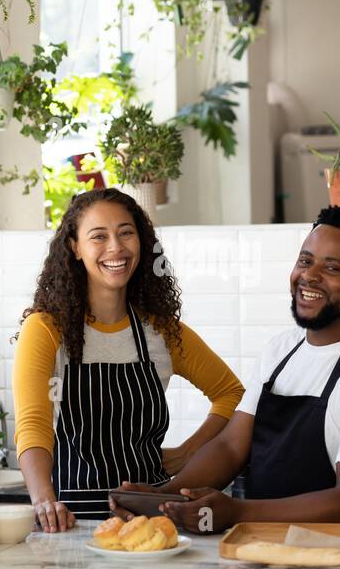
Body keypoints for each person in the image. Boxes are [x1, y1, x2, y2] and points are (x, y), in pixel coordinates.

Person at [114, 205, 340, 531]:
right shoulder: (281, 350)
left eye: (332, 268)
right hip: (264, 548)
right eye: (305, 261)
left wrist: (237, 512)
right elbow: (230, 447)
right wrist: (165, 497)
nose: (310, 276)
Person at [14, 188, 243, 529]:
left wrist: (187, 453)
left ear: (141, 242)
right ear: (75, 248)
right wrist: (43, 499)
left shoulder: (162, 332)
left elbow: (233, 394)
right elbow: (33, 424)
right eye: (98, 237)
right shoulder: (47, 329)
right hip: (72, 523)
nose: (115, 248)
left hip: (150, 519)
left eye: (125, 233)